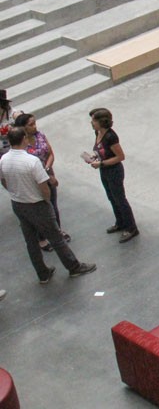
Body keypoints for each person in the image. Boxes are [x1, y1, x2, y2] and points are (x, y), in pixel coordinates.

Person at [1, 127, 97, 283]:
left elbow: (4, 181)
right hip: (36, 204)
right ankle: (73, 266)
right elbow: (43, 186)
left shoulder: (4, 159)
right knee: (56, 237)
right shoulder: (32, 161)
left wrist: (15, 192)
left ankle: (42, 273)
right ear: (24, 139)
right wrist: (46, 200)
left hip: (18, 204)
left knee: (30, 241)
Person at [15, 112, 69, 251]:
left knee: (53, 203)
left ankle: (57, 230)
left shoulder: (40, 135)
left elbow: (50, 153)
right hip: (34, 180)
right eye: (30, 124)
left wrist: (47, 167)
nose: (34, 126)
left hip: (47, 173)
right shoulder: (21, 144)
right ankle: (42, 238)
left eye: (34, 123)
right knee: (40, 208)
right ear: (23, 128)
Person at [89, 107, 140, 243]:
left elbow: (120, 156)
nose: (91, 123)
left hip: (114, 171)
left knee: (120, 199)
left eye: (93, 120)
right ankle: (120, 222)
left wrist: (102, 164)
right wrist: (96, 156)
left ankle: (131, 227)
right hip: (105, 170)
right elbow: (102, 150)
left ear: (101, 121)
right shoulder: (97, 133)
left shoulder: (111, 137)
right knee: (111, 197)